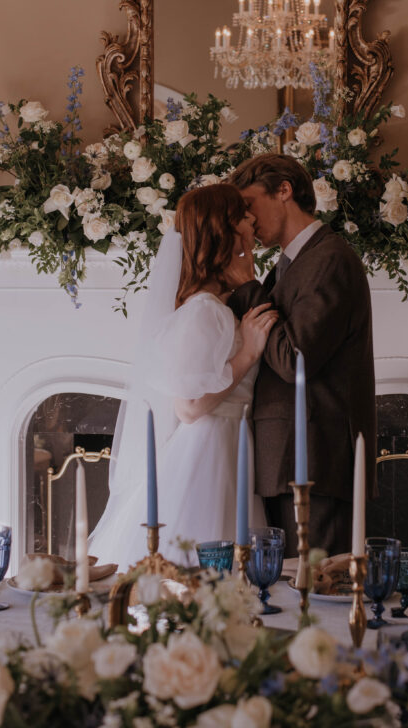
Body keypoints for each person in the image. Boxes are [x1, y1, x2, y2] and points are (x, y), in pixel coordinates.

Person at [89, 183, 276, 569]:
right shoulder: (205, 310)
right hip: (210, 452)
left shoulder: (214, 305)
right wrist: (249, 353)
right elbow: (189, 406)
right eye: (242, 214)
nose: (252, 219)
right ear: (222, 230)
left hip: (230, 445)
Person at [227, 154, 376, 558]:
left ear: (284, 191)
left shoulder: (329, 259)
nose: (247, 220)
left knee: (316, 594)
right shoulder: (291, 264)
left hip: (314, 463)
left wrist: (248, 288)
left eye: (249, 204)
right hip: (288, 459)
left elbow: (296, 360)